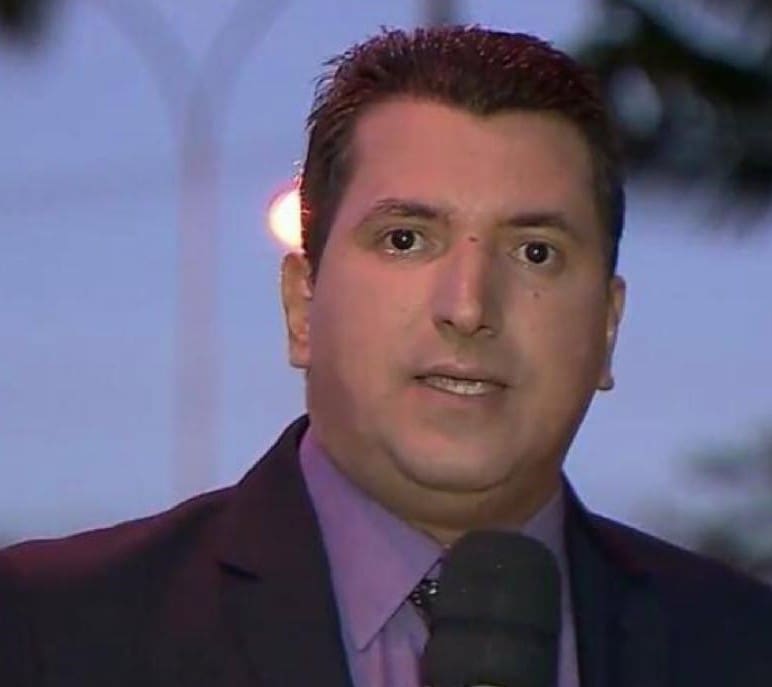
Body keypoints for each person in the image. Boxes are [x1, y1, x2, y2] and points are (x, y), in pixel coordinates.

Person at [1, 25, 770, 687]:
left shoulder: (742, 644)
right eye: (406, 239)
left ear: (606, 327)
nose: (468, 306)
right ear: (302, 305)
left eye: (535, 251)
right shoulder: (48, 629)